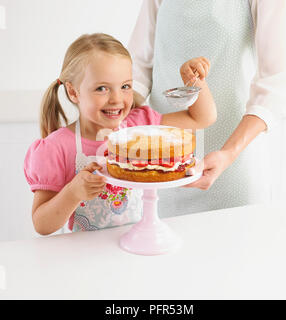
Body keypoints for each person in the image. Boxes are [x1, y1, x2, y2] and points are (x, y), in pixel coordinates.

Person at [23, 33, 216, 235]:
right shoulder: (56, 148)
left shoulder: (140, 125)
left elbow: (202, 118)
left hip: (138, 244)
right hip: (85, 256)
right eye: (102, 88)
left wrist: (195, 82)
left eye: (125, 86)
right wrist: (73, 193)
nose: (116, 99)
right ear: (73, 92)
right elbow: (42, 225)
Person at [128, 0, 286, 217]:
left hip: (235, 166)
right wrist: (114, 117)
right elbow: (138, 68)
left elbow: (276, 83)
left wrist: (228, 153)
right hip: (164, 165)